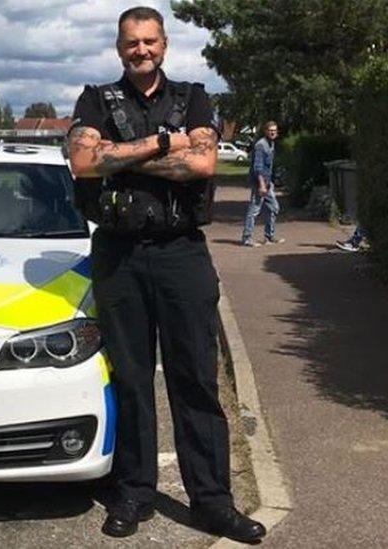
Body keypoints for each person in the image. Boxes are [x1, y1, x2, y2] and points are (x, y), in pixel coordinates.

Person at [67, 7, 266, 543]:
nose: (142, 51)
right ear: (118, 47)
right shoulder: (95, 100)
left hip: (181, 254)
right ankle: (133, 493)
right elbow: (83, 162)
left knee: (195, 379)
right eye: (131, 43)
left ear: (165, 44)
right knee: (131, 380)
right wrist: (161, 144)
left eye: (150, 41)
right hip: (119, 256)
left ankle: (213, 502)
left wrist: (120, 155)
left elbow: (201, 164)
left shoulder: (194, 97)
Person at [240, 122, 284, 246]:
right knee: (254, 210)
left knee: (274, 207)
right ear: (265, 131)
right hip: (259, 183)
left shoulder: (271, 144)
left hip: (268, 182)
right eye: (270, 130)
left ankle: (269, 236)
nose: (273, 132)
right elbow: (257, 167)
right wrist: (261, 185)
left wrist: (269, 183)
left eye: (275, 130)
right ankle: (246, 238)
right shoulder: (261, 145)